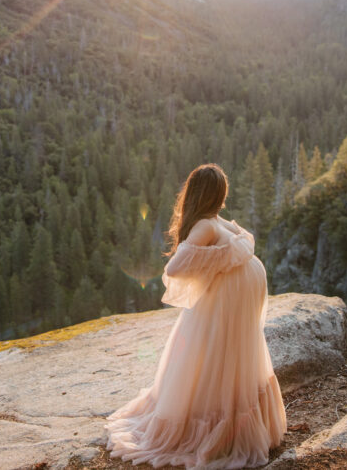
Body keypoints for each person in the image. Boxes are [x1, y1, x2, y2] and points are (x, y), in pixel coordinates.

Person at [105, 163, 286, 469]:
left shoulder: (209, 224)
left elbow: (176, 267)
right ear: (218, 194)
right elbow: (179, 266)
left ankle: (221, 427)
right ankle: (230, 425)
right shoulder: (212, 224)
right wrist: (220, 259)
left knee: (216, 355)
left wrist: (217, 260)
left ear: (193, 194)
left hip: (230, 300)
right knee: (225, 355)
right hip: (232, 297)